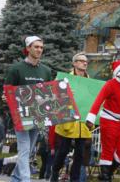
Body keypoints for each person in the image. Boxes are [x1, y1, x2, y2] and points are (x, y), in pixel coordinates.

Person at [4, 36, 53, 182]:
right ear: (28, 48)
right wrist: (5, 97)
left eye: (41, 47)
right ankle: (26, 179)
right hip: (21, 116)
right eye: (36, 47)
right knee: (24, 150)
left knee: (29, 151)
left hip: (38, 116)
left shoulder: (46, 71)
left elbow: (49, 94)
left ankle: (16, 177)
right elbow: (7, 91)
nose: (39, 50)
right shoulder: (16, 69)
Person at [50, 52, 92, 182]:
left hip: (82, 124)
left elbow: (93, 99)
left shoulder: (90, 82)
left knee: (79, 155)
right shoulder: (65, 79)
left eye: (86, 61)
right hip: (67, 123)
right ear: (74, 63)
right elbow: (54, 98)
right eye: (81, 60)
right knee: (62, 152)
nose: (84, 63)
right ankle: (55, 173)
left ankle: (74, 179)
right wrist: (65, 94)